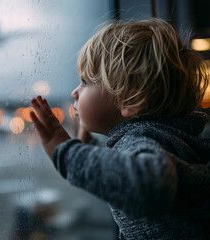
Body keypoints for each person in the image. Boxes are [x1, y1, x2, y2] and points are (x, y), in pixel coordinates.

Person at [30, 18, 210, 239]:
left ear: (131, 100)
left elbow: (146, 182)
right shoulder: (167, 138)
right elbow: (131, 159)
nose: (75, 93)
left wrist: (68, 154)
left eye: (86, 82)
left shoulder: (141, 138)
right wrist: (90, 146)